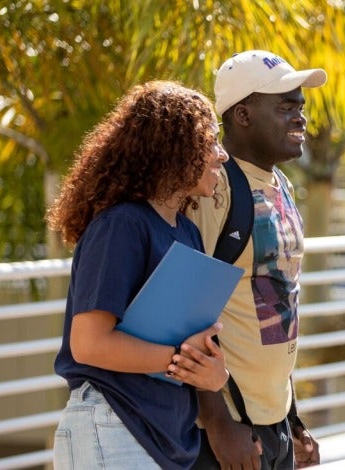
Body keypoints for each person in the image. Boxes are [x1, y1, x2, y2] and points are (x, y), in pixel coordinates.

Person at [48, 80, 231, 469]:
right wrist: (180, 362)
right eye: (211, 141)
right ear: (175, 146)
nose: (222, 155)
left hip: (165, 437)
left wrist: (212, 373)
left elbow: (186, 343)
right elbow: (89, 344)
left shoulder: (187, 232)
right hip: (113, 425)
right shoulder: (120, 226)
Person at [186, 50, 326, 469]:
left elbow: (281, 300)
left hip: (275, 423)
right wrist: (216, 423)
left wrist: (292, 415)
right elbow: (190, 310)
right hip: (228, 430)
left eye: (301, 107)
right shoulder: (216, 188)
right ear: (242, 115)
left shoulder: (280, 183)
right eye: (286, 107)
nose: (300, 118)